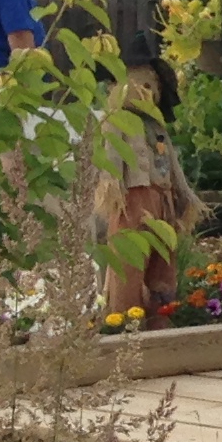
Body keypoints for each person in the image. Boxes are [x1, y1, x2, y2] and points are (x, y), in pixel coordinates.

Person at [91, 49, 203, 320]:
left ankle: (160, 315)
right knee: (128, 263)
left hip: (162, 198)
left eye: (151, 86)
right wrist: (111, 186)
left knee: (163, 261)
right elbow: (111, 157)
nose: (146, 92)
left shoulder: (157, 127)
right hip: (133, 200)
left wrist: (185, 197)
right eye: (138, 85)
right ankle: (123, 317)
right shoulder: (117, 123)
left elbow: (173, 165)